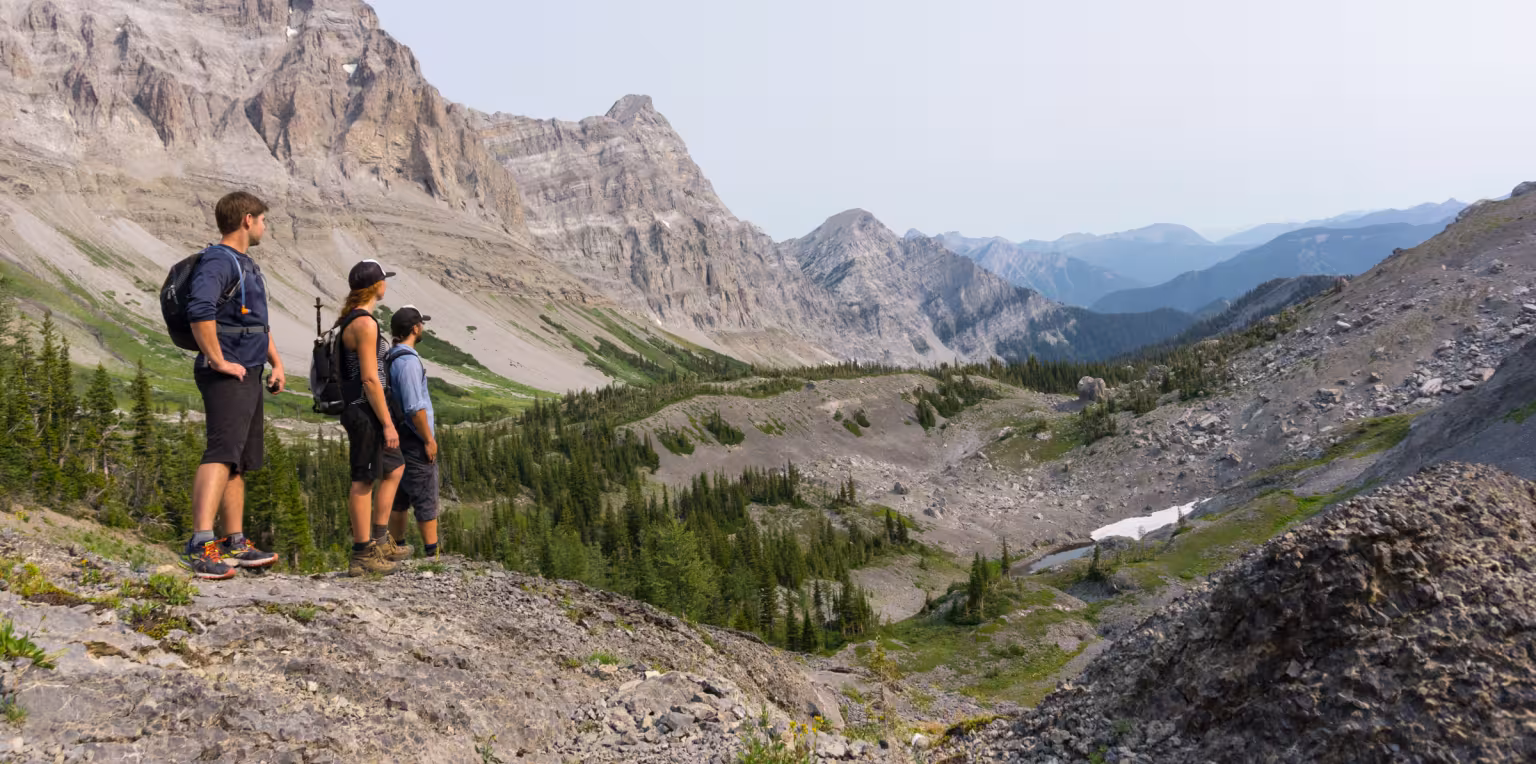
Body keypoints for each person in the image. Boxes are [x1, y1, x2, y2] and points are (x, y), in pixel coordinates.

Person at [182, 191, 283, 579]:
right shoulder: (218, 260)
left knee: (238, 461)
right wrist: (218, 360)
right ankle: (201, 543)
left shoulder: (245, 264)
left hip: (250, 369)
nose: (264, 227)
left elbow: (256, 322)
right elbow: (200, 311)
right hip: (228, 371)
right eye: (262, 220)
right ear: (246, 220)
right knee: (221, 452)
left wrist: (275, 362)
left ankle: (235, 541)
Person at [337, 260, 409, 576]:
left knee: (394, 467)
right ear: (375, 286)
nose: (386, 284)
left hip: (368, 410)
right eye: (384, 280)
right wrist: (388, 423)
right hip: (364, 410)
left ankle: (379, 539)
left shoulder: (354, 319)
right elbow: (369, 379)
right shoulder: (364, 324)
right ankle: (361, 552)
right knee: (363, 479)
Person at [384, 306, 441, 559]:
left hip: (398, 436)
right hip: (413, 438)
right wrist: (428, 439)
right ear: (415, 328)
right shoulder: (408, 362)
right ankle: (433, 553)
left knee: (401, 495)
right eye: (421, 324)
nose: (423, 328)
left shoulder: (393, 356)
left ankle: (397, 547)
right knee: (425, 495)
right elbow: (414, 408)